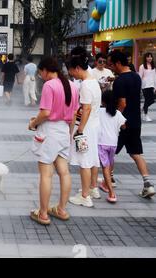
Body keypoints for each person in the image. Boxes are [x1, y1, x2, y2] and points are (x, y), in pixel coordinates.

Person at [28, 57, 79, 225]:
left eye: (40, 73)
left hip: (49, 132)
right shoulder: (72, 85)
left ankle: (43, 213)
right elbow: (73, 115)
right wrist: (69, 135)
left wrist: (33, 123)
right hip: (64, 131)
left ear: (45, 70)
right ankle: (61, 209)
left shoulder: (49, 86)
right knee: (64, 172)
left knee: (46, 174)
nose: (41, 76)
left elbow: (45, 113)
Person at [108, 50, 155, 198]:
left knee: (110, 151)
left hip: (123, 123)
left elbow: (122, 103)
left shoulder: (120, 81)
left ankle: (109, 180)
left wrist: (115, 120)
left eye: (112, 65)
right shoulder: (136, 76)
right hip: (135, 121)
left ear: (118, 63)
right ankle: (148, 184)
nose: (111, 68)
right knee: (136, 153)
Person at [67, 46, 102, 208]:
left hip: (86, 129)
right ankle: (91, 189)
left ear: (78, 68)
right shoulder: (93, 81)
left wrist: (79, 129)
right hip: (94, 126)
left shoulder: (86, 86)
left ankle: (85, 196)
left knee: (85, 162)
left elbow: (86, 108)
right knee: (92, 160)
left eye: (72, 71)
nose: (72, 75)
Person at [97, 90, 127, 203]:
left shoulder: (99, 111)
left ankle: (111, 193)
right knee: (109, 166)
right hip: (113, 144)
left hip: (101, 143)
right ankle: (105, 185)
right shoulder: (118, 113)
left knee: (105, 167)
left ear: (103, 101)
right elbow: (124, 126)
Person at [139, 52, 156, 122]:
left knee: (151, 100)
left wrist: (155, 86)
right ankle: (146, 115)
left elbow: (154, 77)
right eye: (148, 57)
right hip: (145, 86)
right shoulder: (142, 66)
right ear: (145, 58)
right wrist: (139, 87)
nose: (150, 58)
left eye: (151, 57)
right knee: (147, 100)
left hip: (152, 85)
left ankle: (143, 109)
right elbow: (140, 77)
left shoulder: (153, 66)